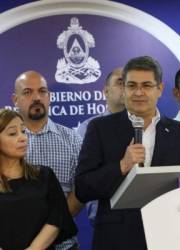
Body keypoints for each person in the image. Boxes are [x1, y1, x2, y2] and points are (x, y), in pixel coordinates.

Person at [75, 56, 180, 250]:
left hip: (169, 235)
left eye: (147, 85)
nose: (139, 92)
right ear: (123, 89)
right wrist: (122, 166)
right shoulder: (100, 128)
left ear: (159, 89)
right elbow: (83, 188)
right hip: (116, 239)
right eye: (132, 85)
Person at [12, 71, 83, 250]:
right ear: (15, 99)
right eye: (27, 92)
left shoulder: (72, 139)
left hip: (64, 244)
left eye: (42, 91)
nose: (36, 97)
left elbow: (82, 189)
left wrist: (54, 224)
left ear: (49, 97)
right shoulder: (4, 142)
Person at [0, 109, 77, 250]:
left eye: (23, 131)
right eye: (12, 133)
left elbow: (57, 219)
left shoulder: (45, 176)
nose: (23, 137)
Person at [77, 67, 125, 226]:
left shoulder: (146, 126)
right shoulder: (88, 128)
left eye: (129, 83)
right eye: (120, 82)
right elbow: (84, 179)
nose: (125, 87)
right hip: (105, 219)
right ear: (105, 91)